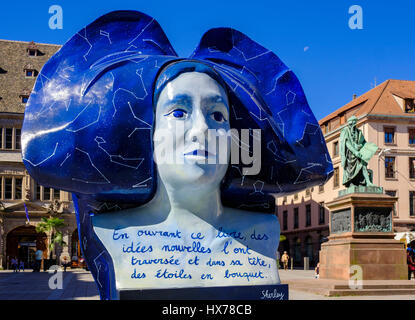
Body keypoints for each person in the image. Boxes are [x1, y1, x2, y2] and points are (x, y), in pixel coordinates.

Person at [21, 11, 333, 299]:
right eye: (179, 112)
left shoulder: (259, 232)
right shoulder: (115, 233)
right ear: (149, 133)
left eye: (217, 115)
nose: (202, 129)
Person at [340, 116, 377, 187]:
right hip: (350, 154)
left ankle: (367, 182)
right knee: (350, 169)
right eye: (354, 122)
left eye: (355, 122)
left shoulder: (359, 132)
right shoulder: (345, 130)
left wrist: (362, 146)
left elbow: (363, 142)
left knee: (363, 165)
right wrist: (355, 151)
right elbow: (347, 143)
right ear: (350, 123)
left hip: (359, 152)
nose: (355, 123)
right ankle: (351, 182)